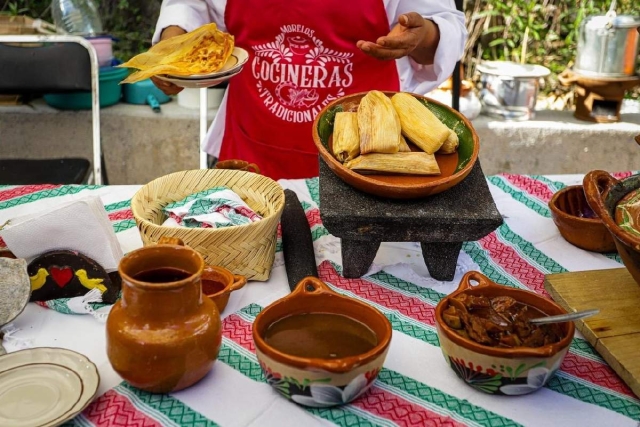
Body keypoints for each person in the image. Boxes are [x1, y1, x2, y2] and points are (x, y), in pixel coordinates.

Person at [152, 0, 467, 180]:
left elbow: (443, 27)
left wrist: (423, 35)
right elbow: (187, 4)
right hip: (250, 147)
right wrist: (174, 42)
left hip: (368, 156)